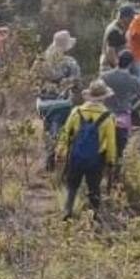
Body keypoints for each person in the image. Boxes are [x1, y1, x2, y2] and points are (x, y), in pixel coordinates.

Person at [58, 80, 118, 220]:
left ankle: (67, 212)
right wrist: (111, 161)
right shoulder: (108, 117)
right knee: (94, 188)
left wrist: (60, 151)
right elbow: (111, 142)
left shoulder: (76, 112)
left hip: (76, 156)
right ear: (103, 97)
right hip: (96, 159)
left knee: (72, 186)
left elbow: (65, 133)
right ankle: (94, 217)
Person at [36, 30, 83, 171]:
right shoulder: (70, 62)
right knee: (62, 129)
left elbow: (34, 79)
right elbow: (77, 83)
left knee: (48, 127)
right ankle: (61, 159)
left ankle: (48, 156)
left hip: (43, 103)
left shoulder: (42, 60)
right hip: (62, 103)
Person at [101, 50, 140, 169]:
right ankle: (117, 173)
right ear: (130, 64)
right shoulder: (133, 80)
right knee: (121, 148)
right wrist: (138, 106)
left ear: (118, 61)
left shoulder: (105, 76)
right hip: (123, 114)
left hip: (105, 114)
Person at [100, 4, 138, 71]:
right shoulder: (114, 31)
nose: (133, 19)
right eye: (131, 17)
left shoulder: (121, 27)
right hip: (110, 68)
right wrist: (119, 70)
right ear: (124, 17)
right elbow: (110, 52)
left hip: (117, 66)